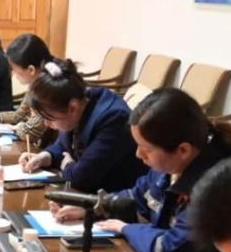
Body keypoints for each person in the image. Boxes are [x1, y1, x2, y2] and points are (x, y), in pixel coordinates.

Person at [52, 88, 231, 252]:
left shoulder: (216, 187)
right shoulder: (170, 166)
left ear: (183, 150)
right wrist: (93, 207)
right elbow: (137, 199)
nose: (138, 155)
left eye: (147, 149)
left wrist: (126, 229)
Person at [19, 59, 146, 192]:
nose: (46, 123)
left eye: (50, 118)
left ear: (72, 108)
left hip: (113, 197)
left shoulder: (113, 118)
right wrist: (45, 156)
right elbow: (63, 145)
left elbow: (80, 177)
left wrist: (67, 165)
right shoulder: (79, 101)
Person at [0, 33, 53, 149]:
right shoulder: (34, 85)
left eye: (15, 70)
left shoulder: (48, 90)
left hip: (44, 150)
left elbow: (28, 133)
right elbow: (18, 115)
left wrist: (19, 127)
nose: (12, 74)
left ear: (31, 70)